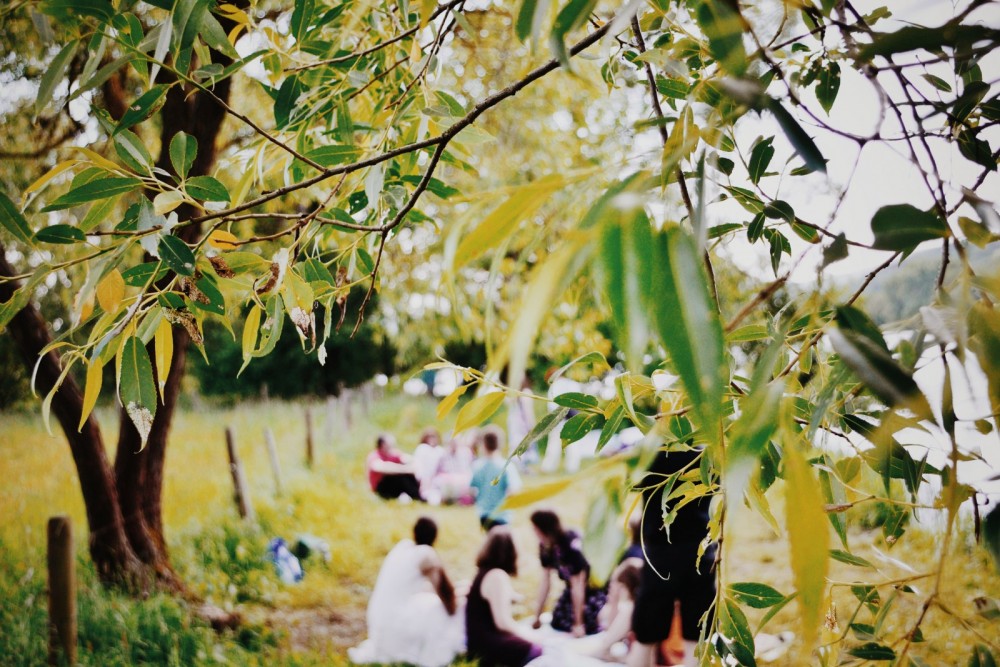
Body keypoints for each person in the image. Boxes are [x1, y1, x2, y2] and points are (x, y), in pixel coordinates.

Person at [627, 446, 715, 667]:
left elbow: (632, 482)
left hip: (661, 552)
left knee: (648, 627)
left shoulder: (651, 454)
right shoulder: (709, 453)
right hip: (699, 548)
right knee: (697, 627)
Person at [349, 517, 464, 667]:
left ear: (414, 532)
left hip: (377, 619)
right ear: (435, 536)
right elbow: (446, 595)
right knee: (443, 610)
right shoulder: (426, 554)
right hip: (394, 622)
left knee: (427, 601)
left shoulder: (402, 547)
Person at [465, 526, 544, 667]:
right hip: (488, 644)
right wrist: (533, 638)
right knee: (541, 650)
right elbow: (502, 623)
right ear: (511, 551)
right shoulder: (497, 576)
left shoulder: (484, 572)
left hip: (478, 642)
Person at [530, 509, 607, 637]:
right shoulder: (546, 546)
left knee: (588, 624)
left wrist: (578, 623)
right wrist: (537, 615)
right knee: (558, 621)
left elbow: (578, 584)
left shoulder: (570, 543)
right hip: (572, 589)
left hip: (593, 589)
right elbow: (545, 581)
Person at [470, 426, 522, 530]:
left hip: (484, 514)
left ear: (483, 444)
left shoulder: (477, 466)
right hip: (502, 515)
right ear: (500, 444)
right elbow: (513, 491)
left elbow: (471, 490)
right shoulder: (507, 466)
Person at [366, 433, 423, 501]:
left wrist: (414, 467)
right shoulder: (374, 456)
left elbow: (408, 459)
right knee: (401, 477)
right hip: (380, 487)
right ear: (383, 444)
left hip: (393, 487)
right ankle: (417, 497)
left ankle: (419, 494)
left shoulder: (393, 454)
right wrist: (405, 469)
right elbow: (381, 467)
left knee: (408, 476)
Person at [413, 427, 445, 504]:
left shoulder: (440, 450)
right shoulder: (422, 448)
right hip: (423, 478)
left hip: (437, 478)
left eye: (434, 437)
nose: (432, 439)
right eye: (429, 437)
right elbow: (418, 465)